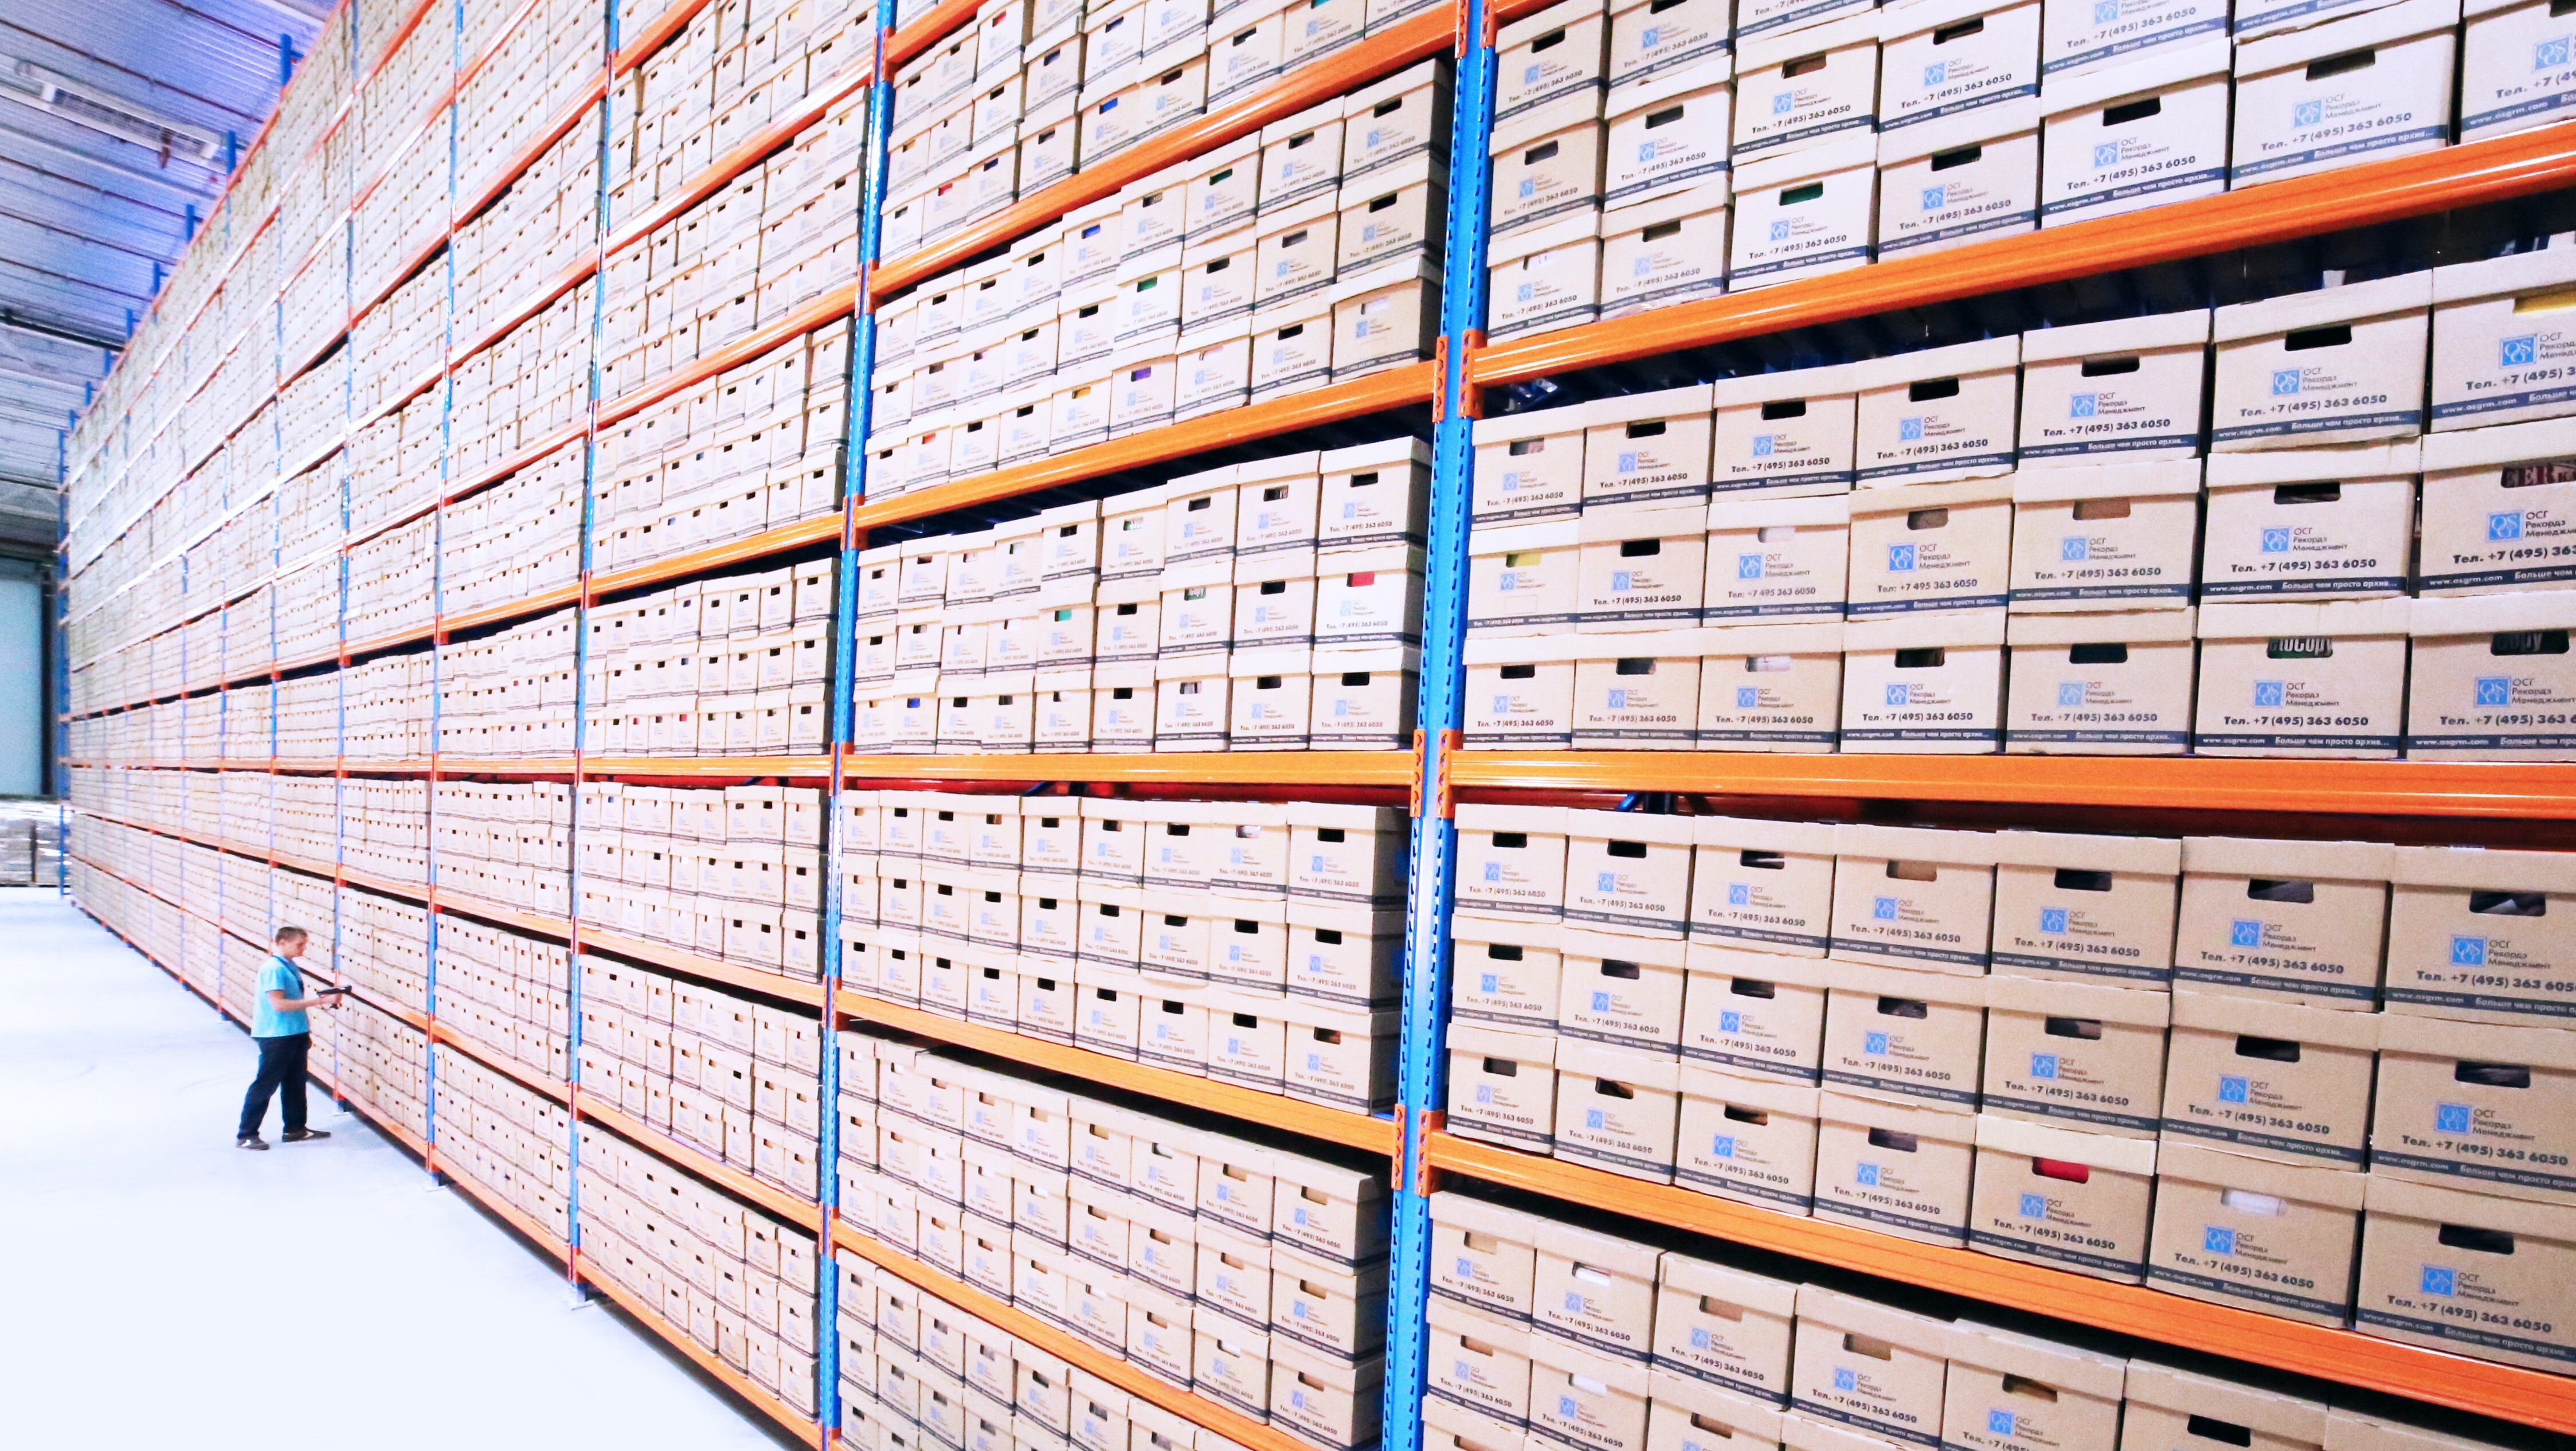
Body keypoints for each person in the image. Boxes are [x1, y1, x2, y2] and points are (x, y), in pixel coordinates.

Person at [237, 926, 344, 1150]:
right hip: (277, 1036)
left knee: (295, 1083)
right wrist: (320, 1001)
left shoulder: (289, 965)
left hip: (294, 1033)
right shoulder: (274, 969)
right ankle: (247, 1134)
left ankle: (295, 1129)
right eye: (299, 944)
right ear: (282, 942)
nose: (303, 948)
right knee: (266, 1084)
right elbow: (278, 1005)